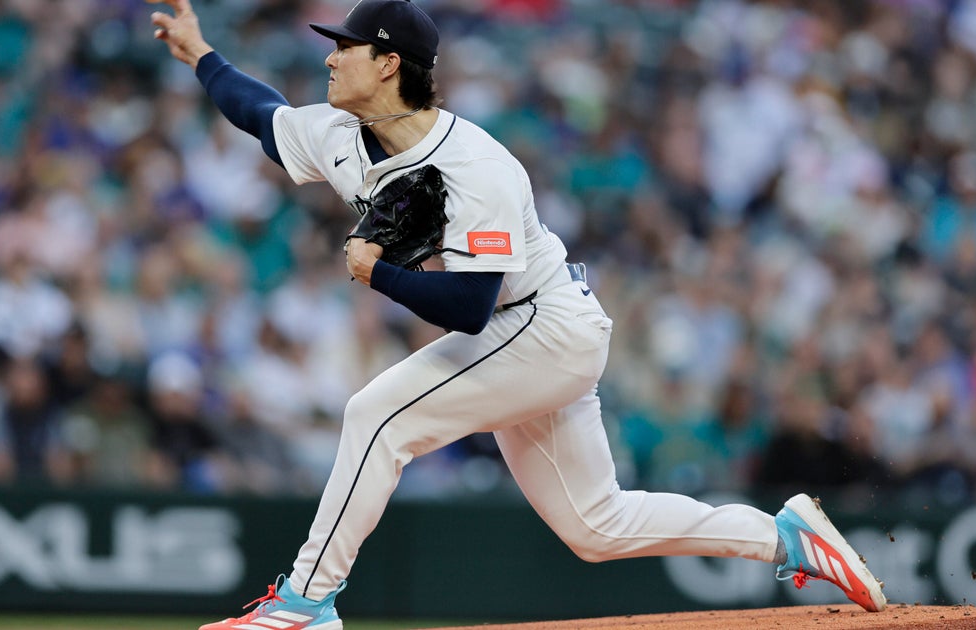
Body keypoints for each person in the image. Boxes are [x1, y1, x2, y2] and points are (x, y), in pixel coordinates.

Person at [147, 1, 887, 627]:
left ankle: (307, 603)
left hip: (545, 325)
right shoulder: (340, 136)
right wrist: (201, 54)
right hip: (526, 334)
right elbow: (260, 113)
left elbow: (471, 309)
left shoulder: (478, 167)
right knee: (596, 526)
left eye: (346, 48)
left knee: (377, 416)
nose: (331, 59)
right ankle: (786, 538)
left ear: (388, 64)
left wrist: (379, 274)